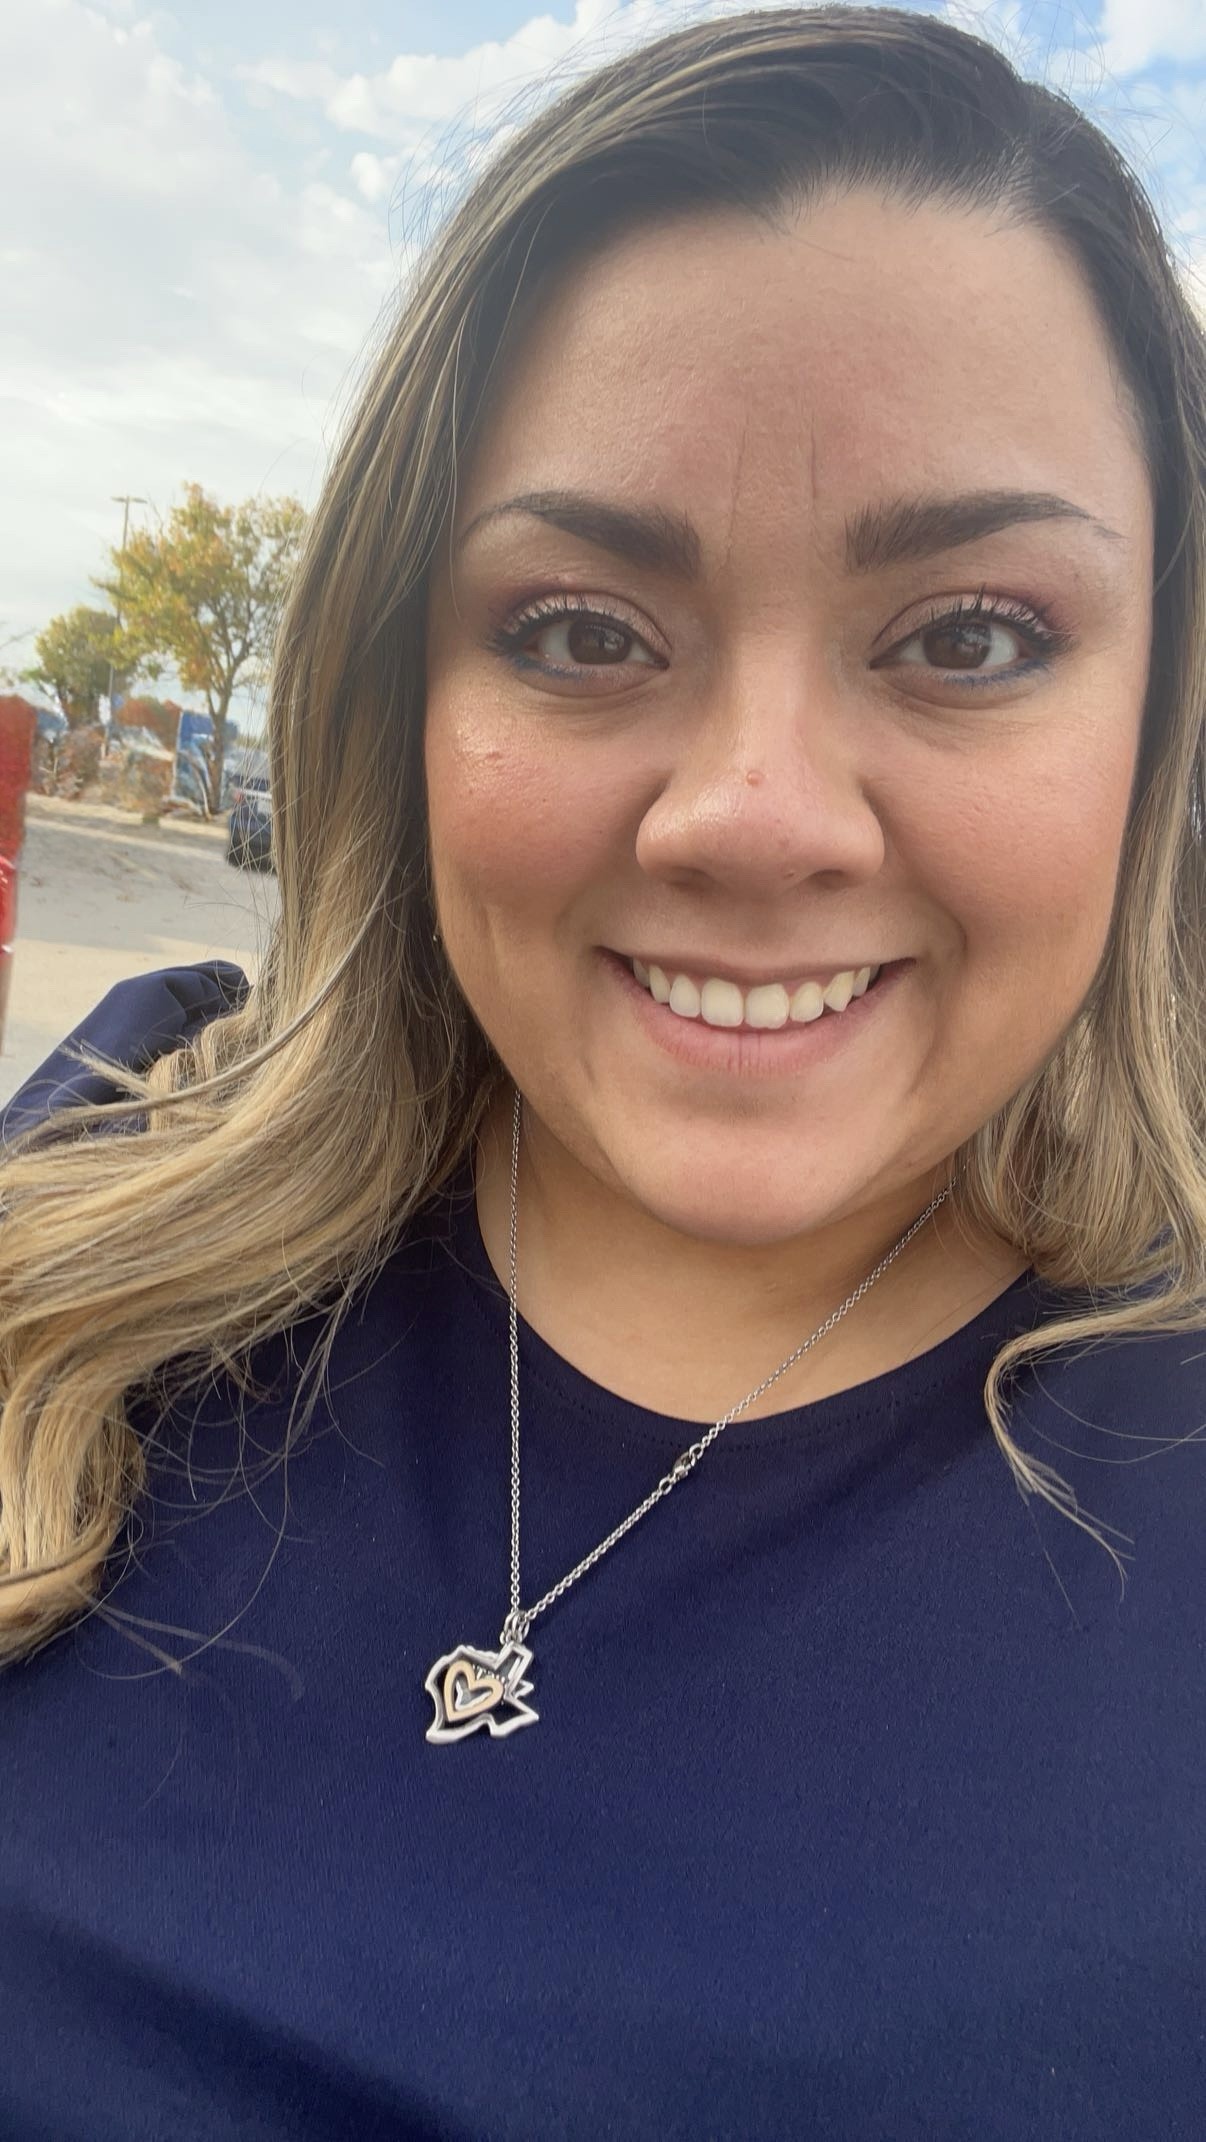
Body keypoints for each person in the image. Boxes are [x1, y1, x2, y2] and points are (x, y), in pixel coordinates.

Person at [2, 7, 1204, 2136]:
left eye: (970, 635)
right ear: (399, 680)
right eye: (579, 630)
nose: (753, 815)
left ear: (1157, 717)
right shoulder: (123, 1145)